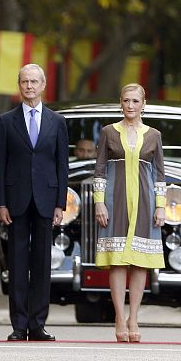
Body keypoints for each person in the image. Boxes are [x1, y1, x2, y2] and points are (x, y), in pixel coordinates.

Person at [0, 63, 68, 342]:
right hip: (16, 202)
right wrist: (1, 204)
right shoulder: (5, 121)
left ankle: (38, 324)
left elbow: (62, 165)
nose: (29, 86)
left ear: (43, 84)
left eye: (34, 81)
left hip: (47, 201)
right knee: (17, 263)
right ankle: (18, 325)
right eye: (24, 81)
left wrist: (60, 203)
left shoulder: (57, 122)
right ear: (19, 85)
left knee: (42, 264)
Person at [93, 83, 166, 343]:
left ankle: (134, 317)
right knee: (118, 260)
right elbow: (99, 169)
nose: (130, 106)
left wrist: (160, 205)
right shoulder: (108, 132)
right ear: (120, 103)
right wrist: (99, 202)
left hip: (145, 202)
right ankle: (119, 316)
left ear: (143, 104)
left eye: (135, 101)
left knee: (139, 262)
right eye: (126, 101)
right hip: (115, 200)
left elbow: (160, 174)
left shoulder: (154, 135)